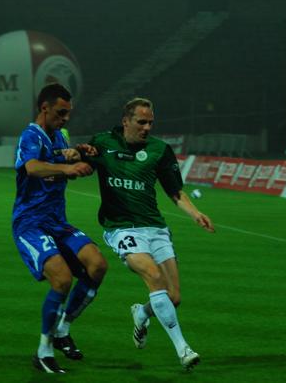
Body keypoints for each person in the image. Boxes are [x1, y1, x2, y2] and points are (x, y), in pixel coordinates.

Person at [87, 97, 215, 370]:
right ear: (126, 121)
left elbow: (175, 192)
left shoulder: (159, 150)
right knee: (154, 276)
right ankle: (183, 349)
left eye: (150, 123)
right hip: (121, 227)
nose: (147, 127)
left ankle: (141, 313)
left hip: (155, 227)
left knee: (173, 297)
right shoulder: (103, 142)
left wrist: (196, 214)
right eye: (141, 122)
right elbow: (82, 162)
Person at [12, 83, 108, 374]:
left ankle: (63, 329)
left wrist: (79, 153)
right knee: (63, 280)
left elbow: (62, 155)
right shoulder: (30, 135)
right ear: (45, 108)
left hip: (57, 222)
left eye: (68, 113)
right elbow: (33, 167)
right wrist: (67, 168)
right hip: (30, 223)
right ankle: (43, 351)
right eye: (60, 113)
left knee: (97, 265)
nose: (65, 118)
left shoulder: (59, 135)